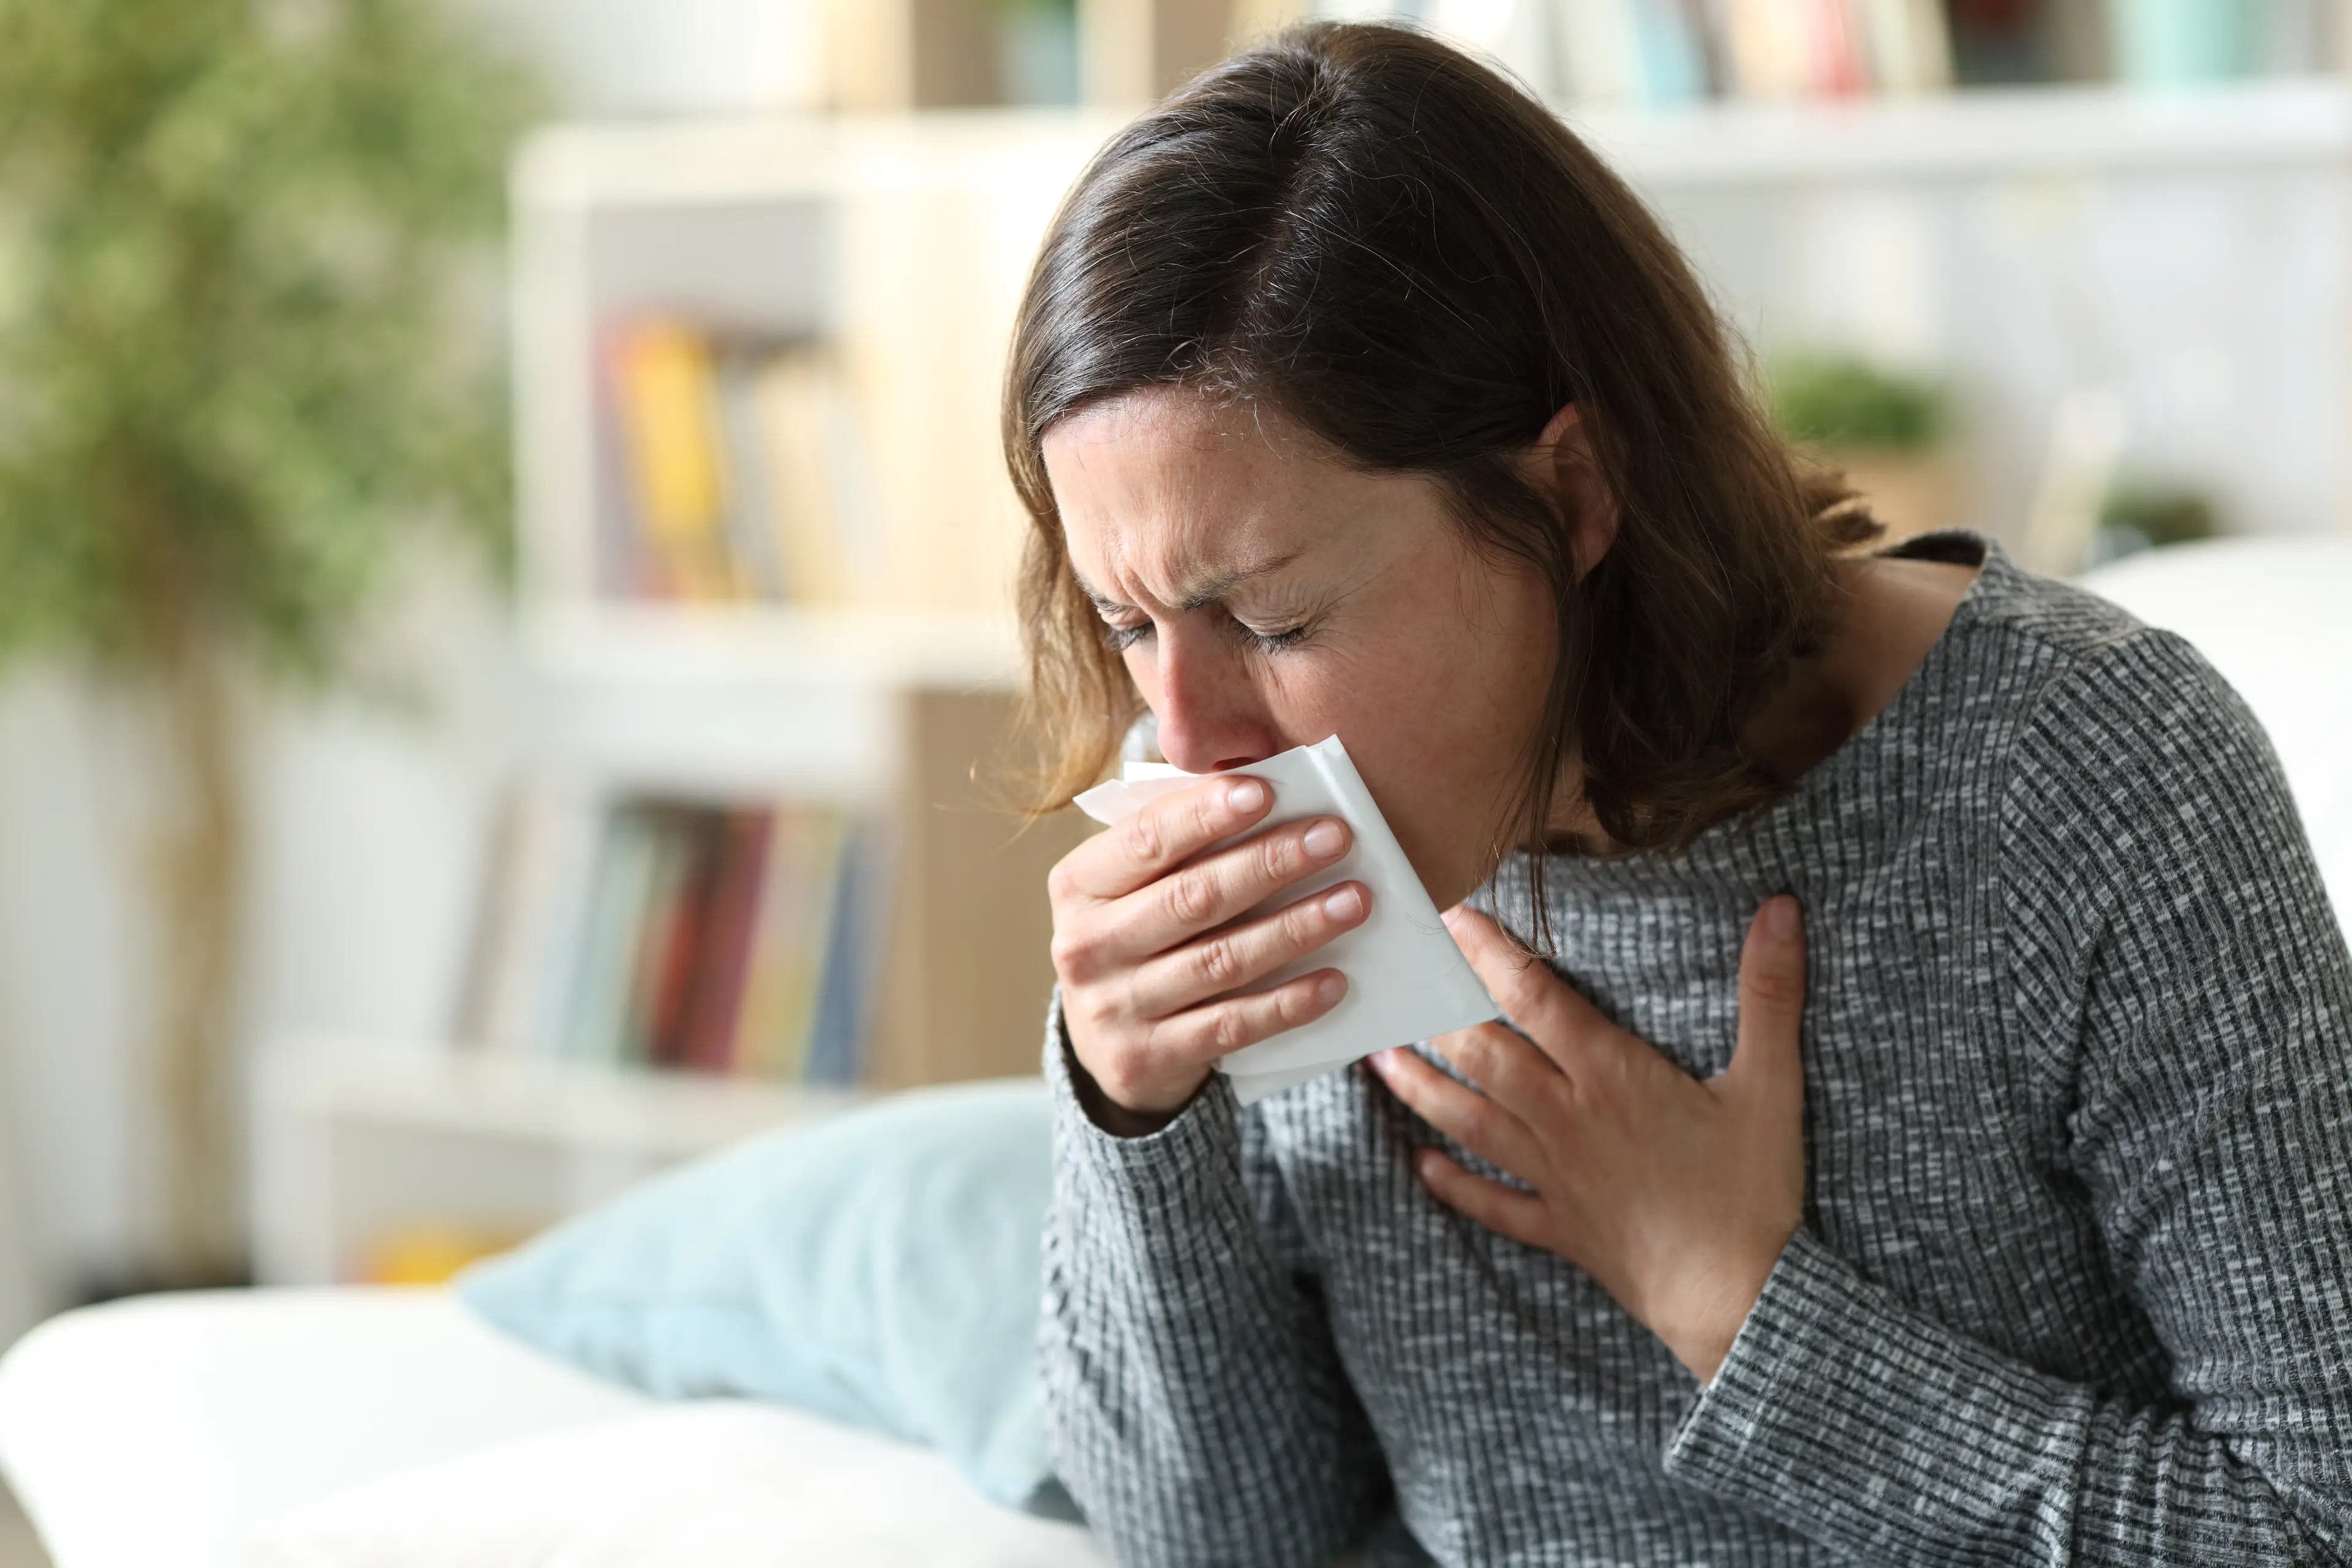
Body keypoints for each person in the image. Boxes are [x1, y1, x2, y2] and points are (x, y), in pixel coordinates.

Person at [1005, 21, 2352, 1567]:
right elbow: (1220, 1537)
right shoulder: (1222, 821)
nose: (1187, 737)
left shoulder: (2079, 774)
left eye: (1277, 620)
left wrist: (1740, 1306)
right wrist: (1129, 1110)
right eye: (1126, 622)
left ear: (1573, 491)